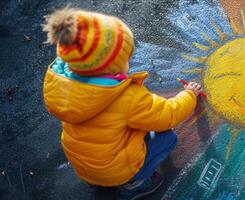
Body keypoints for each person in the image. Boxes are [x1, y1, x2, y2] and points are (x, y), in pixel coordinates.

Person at [42, 6, 202, 200]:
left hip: (82, 165)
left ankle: (101, 180)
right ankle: (134, 185)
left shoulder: (63, 83)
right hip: (115, 170)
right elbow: (168, 114)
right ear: (113, 65)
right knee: (167, 138)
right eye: (126, 57)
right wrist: (189, 94)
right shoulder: (127, 97)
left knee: (107, 134)